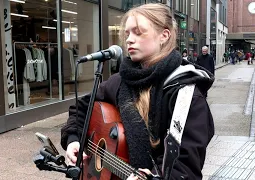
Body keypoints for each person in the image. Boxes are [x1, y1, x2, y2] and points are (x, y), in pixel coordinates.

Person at [60, 3, 215, 180]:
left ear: (164, 35)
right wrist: (74, 139)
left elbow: (185, 170)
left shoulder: (185, 95)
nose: (129, 40)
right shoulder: (120, 81)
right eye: (127, 34)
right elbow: (82, 108)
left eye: (138, 32)